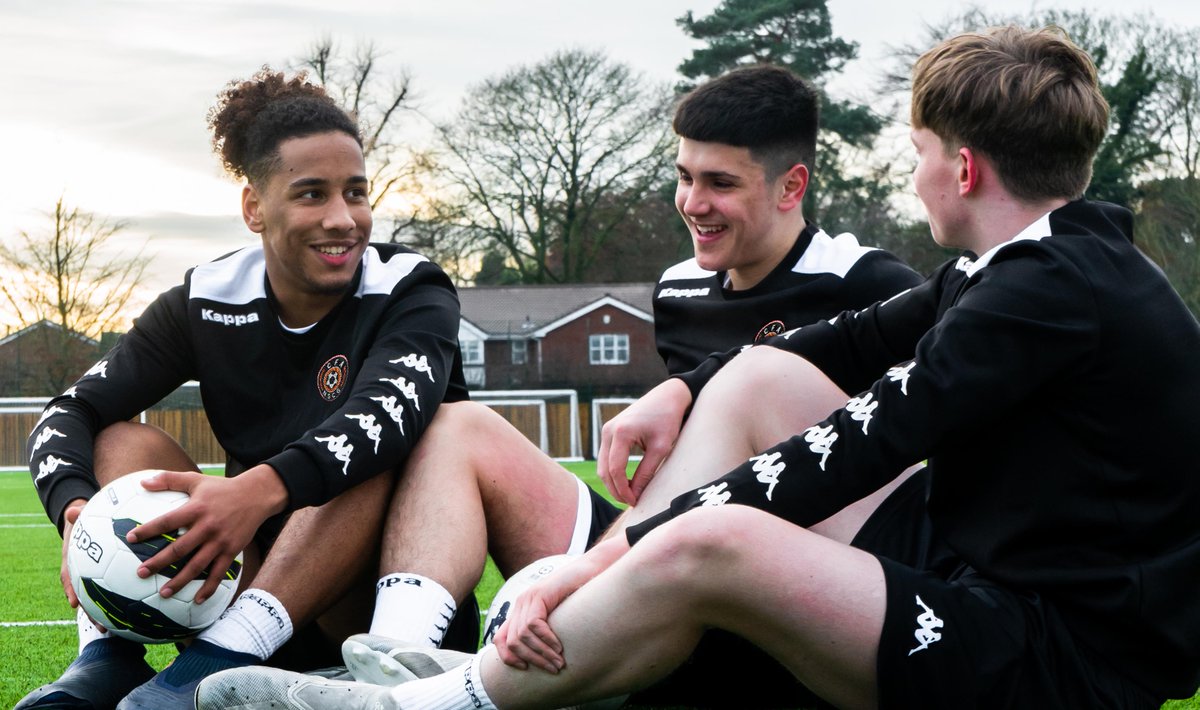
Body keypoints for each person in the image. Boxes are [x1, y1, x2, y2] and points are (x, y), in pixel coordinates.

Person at [199, 24, 1200, 709]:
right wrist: (686, 385)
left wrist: (590, 562)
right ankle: (552, 643)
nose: (916, 172)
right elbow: (834, 348)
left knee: (711, 539)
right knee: (753, 381)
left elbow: (847, 448)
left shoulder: (1046, 293)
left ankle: (447, 696)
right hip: (984, 571)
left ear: (965, 168)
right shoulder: (1039, 259)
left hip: (1052, 658)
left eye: (922, 151)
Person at [332, 63, 923, 675]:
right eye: (684, 177)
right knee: (458, 426)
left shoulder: (870, 284)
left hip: (773, 572)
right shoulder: (678, 288)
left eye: (720, 183)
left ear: (790, 186)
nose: (694, 204)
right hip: (651, 538)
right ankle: (398, 661)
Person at [17, 68, 469, 710]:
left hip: (373, 618)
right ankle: (107, 657)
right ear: (255, 207)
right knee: (122, 440)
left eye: (356, 192)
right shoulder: (205, 298)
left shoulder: (410, 288)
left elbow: (385, 419)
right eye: (312, 194)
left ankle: (204, 670)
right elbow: (69, 412)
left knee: (378, 452)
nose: (343, 219)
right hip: (252, 580)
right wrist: (77, 512)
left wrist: (252, 491)